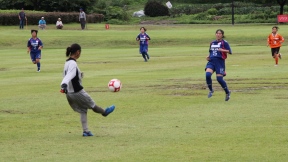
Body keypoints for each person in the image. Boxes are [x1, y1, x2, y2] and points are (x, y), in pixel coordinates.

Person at [60, 43, 115, 137]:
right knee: (93, 105)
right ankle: (104, 112)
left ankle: (86, 131)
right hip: (77, 92)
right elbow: (69, 75)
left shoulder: (67, 62)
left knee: (83, 110)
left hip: (69, 93)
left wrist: (79, 75)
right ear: (78, 52)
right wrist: (64, 84)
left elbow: (68, 74)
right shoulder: (73, 63)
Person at [205, 29, 232, 101]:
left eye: (220, 33)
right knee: (207, 75)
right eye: (217, 33)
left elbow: (230, 51)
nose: (218, 35)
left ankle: (227, 92)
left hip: (220, 62)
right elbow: (211, 52)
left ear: (222, 35)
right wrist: (208, 57)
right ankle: (211, 90)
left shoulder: (224, 43)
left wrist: (222, 50)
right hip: (211, 61)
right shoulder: (212, 43)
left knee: (219, 79)